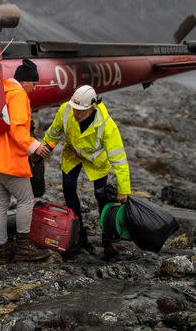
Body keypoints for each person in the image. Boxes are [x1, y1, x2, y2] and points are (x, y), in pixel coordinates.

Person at [36, 85, 131, 259]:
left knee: (102, 196)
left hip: (97, 161)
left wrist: (124, 189)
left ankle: (108, 242)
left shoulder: (107, 125)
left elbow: (119, 159)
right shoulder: (66, 110)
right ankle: (79, 235)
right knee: (68, 187)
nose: (75, 113)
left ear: (91, 107)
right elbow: (54, 133)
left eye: (80, 111)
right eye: (74, 108)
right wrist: (45, 148)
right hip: (73, 154)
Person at [0, 59, 50, 262]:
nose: (34, 89)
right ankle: (23, 248)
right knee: (26, 200)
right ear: (25, 82)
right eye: (34, 84)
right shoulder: (18, 95)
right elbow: (17, 130)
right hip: (7, 161)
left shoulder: (0, 90)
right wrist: (35, 146)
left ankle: (3, 248)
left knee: (0, 204)